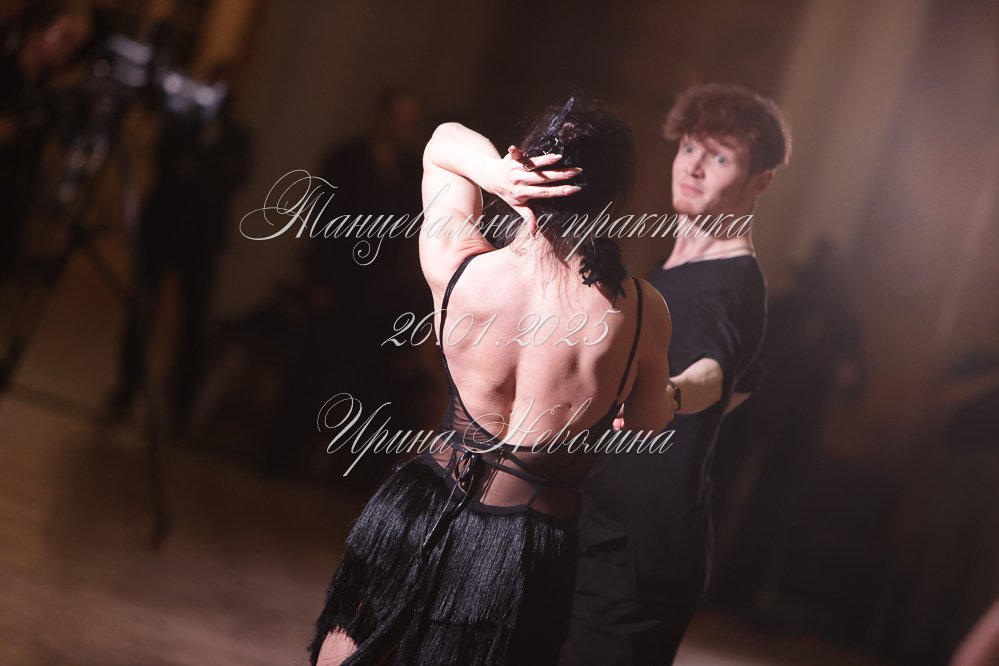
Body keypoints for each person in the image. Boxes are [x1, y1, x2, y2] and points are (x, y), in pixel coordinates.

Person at [309, 97, 676, 665]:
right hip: (525, 547)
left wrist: (498, 176)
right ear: (614, 197)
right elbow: (648, 423)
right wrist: (669, 396)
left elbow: (443, 142)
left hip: (421, 506)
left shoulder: (459, 265)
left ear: (523, 164)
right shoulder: (642, 311)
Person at [565, 83, 791, 665]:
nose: (692, 167)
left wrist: (669, 394)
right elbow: (744, 378)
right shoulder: (677, 269)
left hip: (636, 552)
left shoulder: (731, 281)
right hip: (606, 525)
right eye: (689, 147)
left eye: (720, 158)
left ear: (760, 181)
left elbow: (713, 371)